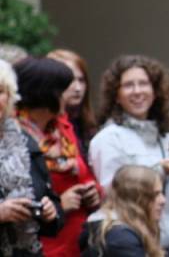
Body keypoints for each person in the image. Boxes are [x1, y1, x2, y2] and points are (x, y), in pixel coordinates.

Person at [89, 55, 169, 247]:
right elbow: (112, 194)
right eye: (128, 85)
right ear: (116, 95)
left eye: (144, 83)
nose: (137, 91)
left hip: (167, 244)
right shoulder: (108, 138)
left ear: (155, 91)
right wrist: (161, 170)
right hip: (130, 244)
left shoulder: (166, 138)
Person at [14, 58, 101, 257]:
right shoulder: (13, 137)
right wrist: (59, 204)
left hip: (76, 238)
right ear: (45, 95)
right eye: (63, 90)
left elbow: (85, 175)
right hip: (41, 243)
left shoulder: (64, 129)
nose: (70, 95)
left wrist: (92, 191)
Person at [0, 59, 62, 257]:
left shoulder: (25, 141)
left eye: (0, 91)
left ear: (9, 97)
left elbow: (50, 198)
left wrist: (51, 212)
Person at [82, 165, 169, 257]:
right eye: (155, 195)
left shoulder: (122, 231)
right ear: (137, 199)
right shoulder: (120, 238)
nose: (163, 200)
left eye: (161, 193)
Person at [47, 49, 97, 161]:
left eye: (81, 80)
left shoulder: (88, 125)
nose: (78, 88)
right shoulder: (46, 127)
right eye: (70, 80)